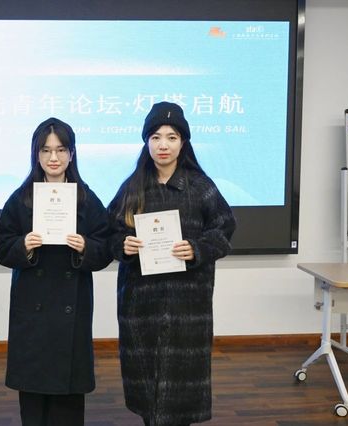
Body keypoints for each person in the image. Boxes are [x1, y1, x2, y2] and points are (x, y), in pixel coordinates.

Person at [107, 102, 236, 426]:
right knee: (147, 389)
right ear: (146, 141)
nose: (163, 145)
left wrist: (196, 249)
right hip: (141, 304)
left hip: (187, 305)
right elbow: (109, 232)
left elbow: (224, 230)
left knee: (181, 393)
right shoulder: (132, 187)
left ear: (183, 142)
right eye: (155, 137)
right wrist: (122, 244)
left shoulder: (201, 187)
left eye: (172, 137)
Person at [0, 117, 113, 426]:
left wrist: (86, 246)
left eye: (61, 150)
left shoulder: (86, 198)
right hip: (31, 308)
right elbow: (1, 246)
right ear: (36, 154)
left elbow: (106, 246)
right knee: (33, 399)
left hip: (71, 308)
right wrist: (23, 245)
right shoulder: (21, 198)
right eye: (46, 150)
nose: (53, 158)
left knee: (68, 402)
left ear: (72, 154)